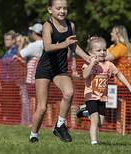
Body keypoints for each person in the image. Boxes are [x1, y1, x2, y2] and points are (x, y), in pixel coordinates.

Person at [30, 0, 90, 143]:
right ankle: (33, 135)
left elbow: (74, 46)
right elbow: (48, 47)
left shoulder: (71, 25)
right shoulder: (47, 26)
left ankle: (60, 125)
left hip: (60, 69)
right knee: (42, 107)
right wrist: (65, 43)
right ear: (50, 10)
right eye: (58, 8)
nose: (62, 11)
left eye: (65, 8)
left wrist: (88, 58)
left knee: (69, 93)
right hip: (44, 69)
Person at [81, 36, 131, 144]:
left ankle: (86, 113)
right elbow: (84, 75)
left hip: (102, 97)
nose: (102, 52)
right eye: (98, 50)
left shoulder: (109, 65)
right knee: (95, 120)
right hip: (90, 95)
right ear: (90, 52)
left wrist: (129, 85)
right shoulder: (88, 63)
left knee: (100, 122)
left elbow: (119, 74)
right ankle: (94, 142)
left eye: (104, 50)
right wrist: (91, 64)